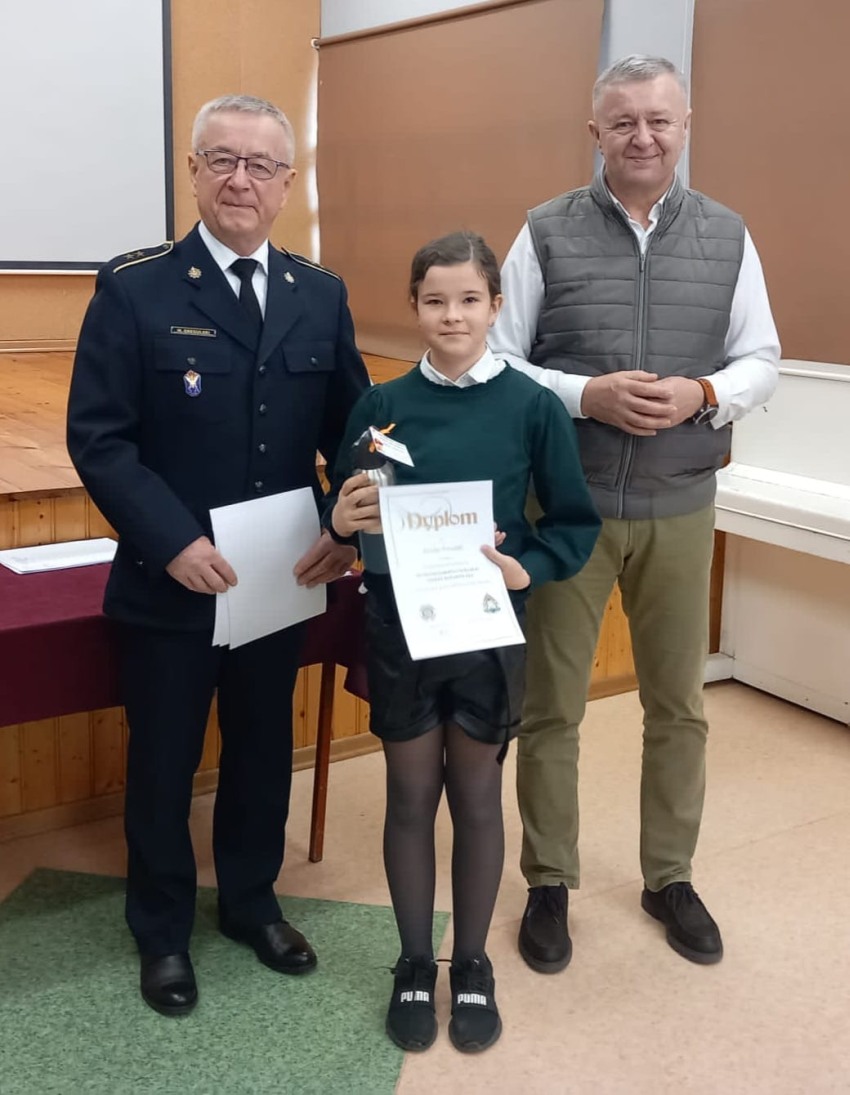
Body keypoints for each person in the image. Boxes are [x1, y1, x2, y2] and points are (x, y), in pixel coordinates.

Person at [66, 94, 370, 1016]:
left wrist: (342, 523)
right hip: (172, 580)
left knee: (262, 752)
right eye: (223, 160)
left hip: (279, 578)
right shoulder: (136, 288)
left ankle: (250, 902)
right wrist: (172, 539)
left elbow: (354, 432)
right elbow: (100, 438)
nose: (242, 179)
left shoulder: (320, 293)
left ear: (287, 183)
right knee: (163, 765)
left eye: (262, 164)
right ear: (193, 170)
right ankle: (161, 929)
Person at [490, 55, 780, 971]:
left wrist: (704, 392)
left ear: (685, 125)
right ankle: (548, 880)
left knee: (678, 706)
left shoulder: (729, 235)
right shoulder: (543, 231)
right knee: (550, 707)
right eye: (623, 122)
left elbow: (761, 358)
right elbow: (500, 360)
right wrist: (585, 395)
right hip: (566, 509)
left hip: (681, 504)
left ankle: (669, 876)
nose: (642, 137)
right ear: (596, 132)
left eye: (659, 120)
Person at [328, 232, 600, 1053]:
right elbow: (349, 503)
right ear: (414, 306)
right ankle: (415, 961)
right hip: (401, 628)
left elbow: (573, 522)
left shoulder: (532, 407)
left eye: (469, 299)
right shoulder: (381, 407)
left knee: (477, 797)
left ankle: (472, 963)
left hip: (487, 629)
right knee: (411, 795)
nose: (452, 315)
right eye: (436, 300)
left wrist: (527, 569)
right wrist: (340, 520)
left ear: (495, 306)